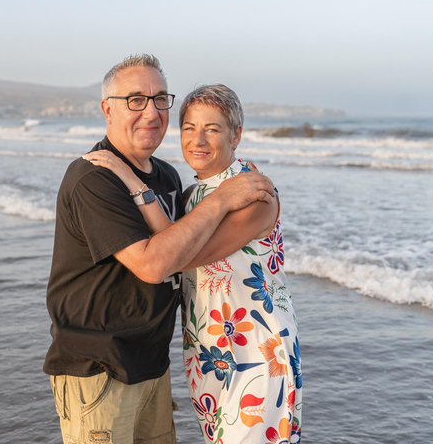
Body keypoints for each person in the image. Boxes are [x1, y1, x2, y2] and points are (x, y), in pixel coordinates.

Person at [44, 55, 276, 444]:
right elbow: (154, 264)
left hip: (155, 364)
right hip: (100, 368)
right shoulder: (93, 178)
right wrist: (220, 201)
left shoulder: (167, 175)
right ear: (108, 109)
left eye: (159, 99)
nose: (150, 112)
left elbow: (179, 240)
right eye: (135, 99)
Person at [84, 84, 302, 443]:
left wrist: (129, 180)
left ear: (237, 135)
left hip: (259, 352)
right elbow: (173, 239)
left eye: (212, 129)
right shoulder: (193, 194)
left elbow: (178, 255)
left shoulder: (255, 193)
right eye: (189, 128)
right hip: (210, 350)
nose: (197, 140)